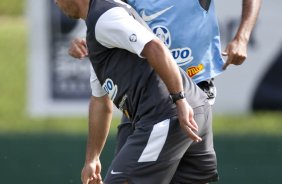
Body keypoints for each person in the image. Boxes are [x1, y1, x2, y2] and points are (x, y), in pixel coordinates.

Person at [55, 0, 219, 183]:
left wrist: (179, 99)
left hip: (168, 114)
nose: (55, 2)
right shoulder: (98, 29)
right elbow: (101, 103)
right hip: (190, 110)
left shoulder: (104, 17)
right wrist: (92, 159)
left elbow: (154, 46)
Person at [68, 0, 262, 153]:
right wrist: (89, 40)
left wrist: (242, 37)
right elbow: (114, 20)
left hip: (193, 89)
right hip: (146, 94)